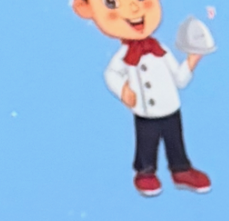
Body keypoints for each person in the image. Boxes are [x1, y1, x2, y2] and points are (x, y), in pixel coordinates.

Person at [72, 0, 212, 198]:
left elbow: (180, 80)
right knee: (147, 142)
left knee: (175, 140)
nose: (134, 8)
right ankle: (145, 172)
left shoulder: (160, 49)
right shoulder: (124, 55)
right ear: (85, 8)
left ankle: (181, 169)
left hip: (170, 107)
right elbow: (111, 74)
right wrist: (123, 90)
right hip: (146, 111)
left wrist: (191, 62)